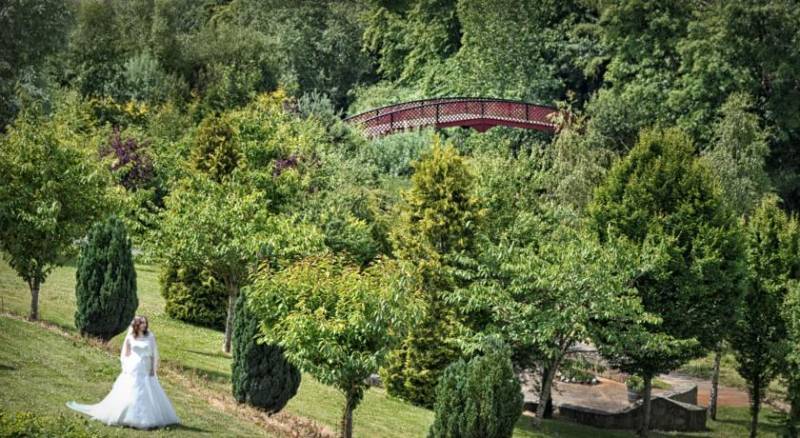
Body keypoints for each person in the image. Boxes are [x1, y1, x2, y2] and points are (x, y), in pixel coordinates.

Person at [67, 315, 179, 429]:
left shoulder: (150, 336)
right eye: (142, 323)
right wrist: (126, 367)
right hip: (133, 367)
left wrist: (152, 370)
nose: (144, 325)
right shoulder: (130, 337)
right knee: (131, 389)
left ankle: (146, 416)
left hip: (145, 367)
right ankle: (126, 415)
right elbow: (125, 354)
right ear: (136, 325)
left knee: (147, 391)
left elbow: (153, 354)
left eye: (145, 323)